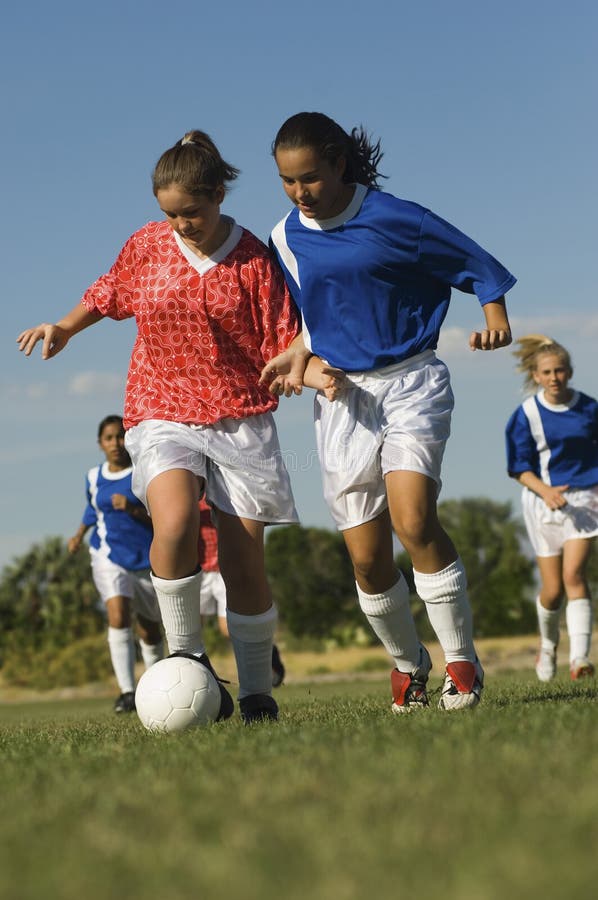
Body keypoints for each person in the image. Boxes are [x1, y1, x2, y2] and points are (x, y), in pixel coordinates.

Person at [17, 129, 333, 724]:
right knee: (178, 519)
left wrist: (315, 375)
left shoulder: (252, 259)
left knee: (243, 563)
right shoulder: (146, 245)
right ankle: (187, 658)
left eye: (190, 212)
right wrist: (63, 326)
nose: (180, 224)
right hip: (161, 408)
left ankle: (258, 691)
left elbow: (279, 342)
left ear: (218, 195)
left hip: (241, 414)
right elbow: (109, 294)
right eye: (169, 214)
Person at [261, 111, 517, 712]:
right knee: (368, 558)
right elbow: (309, 314)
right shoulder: (283, 237)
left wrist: (494, 319)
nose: (301, 192)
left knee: (414, 519)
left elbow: (474, 263)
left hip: (411, 381)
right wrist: (300, 355)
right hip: (343, 400)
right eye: (288, 181)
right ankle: (409, 665)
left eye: (312, 178)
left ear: (339, 164)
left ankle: (461, 659)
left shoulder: (396, 217)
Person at [505, 335, 597, 682]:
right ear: (536, 375)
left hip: (585, 500)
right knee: (553, 589)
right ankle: (547, 646)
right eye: (547, 371)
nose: (555, 377)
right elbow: (519, 466)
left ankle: (580, 659)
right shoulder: (526, 415)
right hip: (542, 503)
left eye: (560, 370)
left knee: (575, 576)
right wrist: (545, 490)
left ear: (570, 372)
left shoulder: (590, 409)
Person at [68, 415, 164, 712]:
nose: (116, 443)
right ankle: (126, 692)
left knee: (149, 629)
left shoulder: (144, 473)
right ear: (100, 443)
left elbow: (162, 517)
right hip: (107, 555)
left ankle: (154, 688)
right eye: (109, 438)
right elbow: (91, 509)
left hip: (145, 558)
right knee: (118, 613)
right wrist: (79, 534)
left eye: (121, 436)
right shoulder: (94, 477)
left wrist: (133, 509)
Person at [197, 496, 286, 686]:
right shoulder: (186, 490)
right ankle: (197, 678)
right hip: (199, 568)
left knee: (227, 628)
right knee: (194, 627)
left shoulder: (220, 492)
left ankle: (267, 652)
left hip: (224, 565)